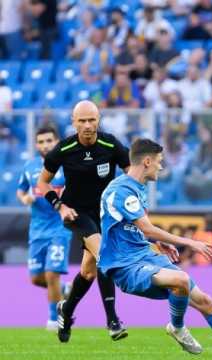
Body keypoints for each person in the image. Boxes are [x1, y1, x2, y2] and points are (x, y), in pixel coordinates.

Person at [98, 138, 212, 356]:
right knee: (180, 280)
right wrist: (189, 242)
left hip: (145, 256)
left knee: (205, 300)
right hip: (125, 265)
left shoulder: (138, 188)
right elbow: (146, 228)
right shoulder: (121, 191)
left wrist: (158, 242)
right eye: (159, 161)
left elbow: (132, 228)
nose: (161, 166)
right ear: (146, 161)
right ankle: (177, 327)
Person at [37, 100, 130, 343]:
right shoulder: (64, 149)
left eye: (92, 120)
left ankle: (65, 311)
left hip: (104, 214)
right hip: (76, 214)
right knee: (105, 255)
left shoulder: (110, 144)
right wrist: (60, 206)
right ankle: (112, 320)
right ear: (73, 122)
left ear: (99, 119)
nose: (88, 125)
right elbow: (42, 183)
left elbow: (132, 173)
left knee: (88, 272)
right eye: (82, 121)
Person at [17, 126, 71, 331]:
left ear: (57, 142)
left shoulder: (67, 167)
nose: (45, 145)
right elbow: (20, 190)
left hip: (59, 228)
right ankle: (65, 289)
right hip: (37, 229)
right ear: (36, 145)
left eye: (49, 140)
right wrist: (25, 198)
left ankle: (53, 320)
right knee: (36, 278)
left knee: (51, 274)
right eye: (41, 141)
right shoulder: (29, 167)